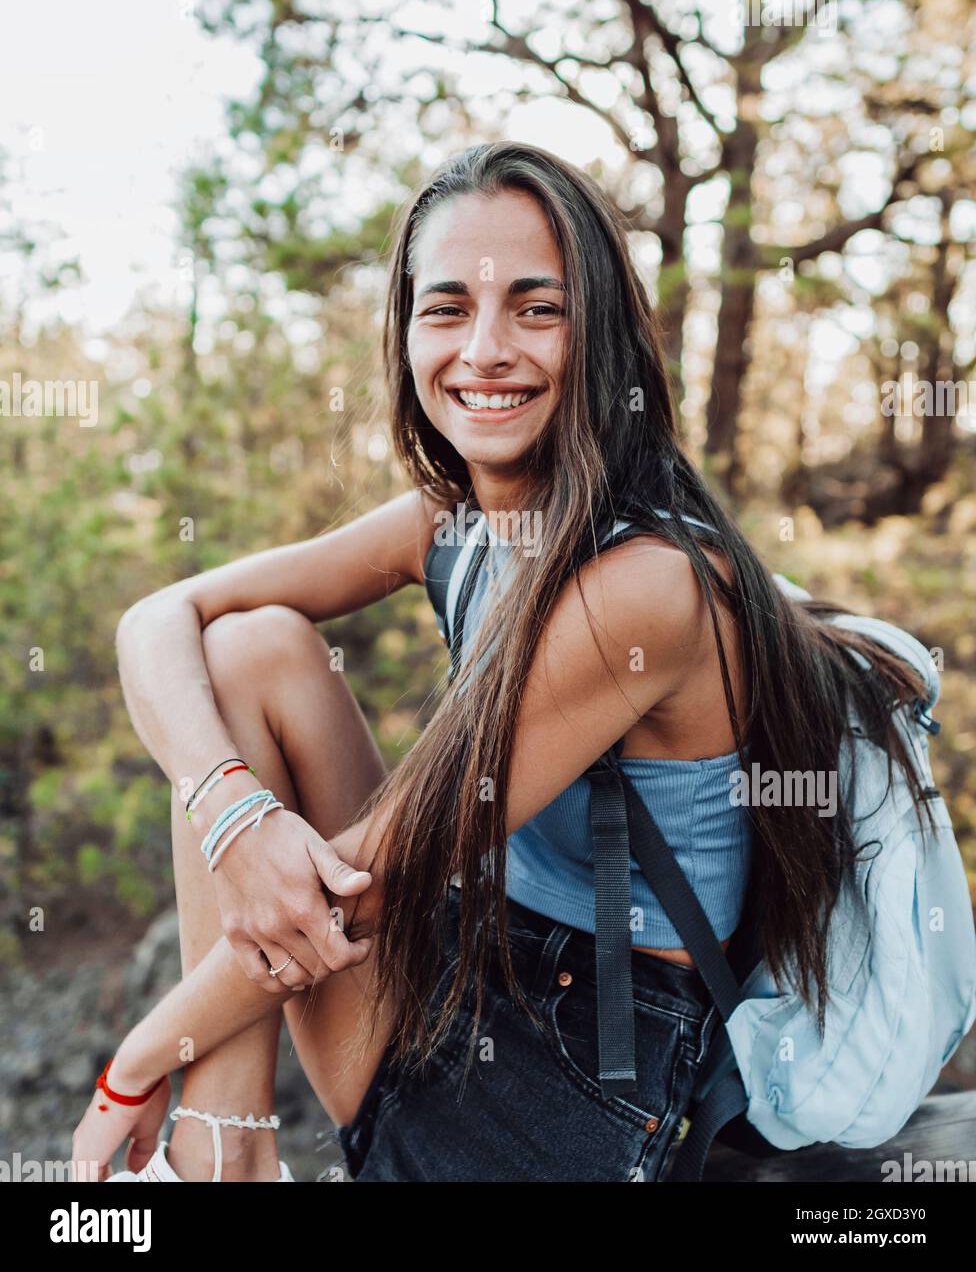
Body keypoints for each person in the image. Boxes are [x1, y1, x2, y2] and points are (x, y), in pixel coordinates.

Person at [71, 141, 927, 1182]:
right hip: (468, 957)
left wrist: (137, 1062)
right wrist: (231, 811)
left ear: (600, 333)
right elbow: (160, 619)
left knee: (298, 802)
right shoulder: (458, 521)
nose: (484, 349)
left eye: (537, 308)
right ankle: (225, 1153)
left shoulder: (646, 588)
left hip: (583, 1073)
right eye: (446, 308)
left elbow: (358, 888)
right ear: (406, 332)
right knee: (248, 647)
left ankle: (218, 1166)